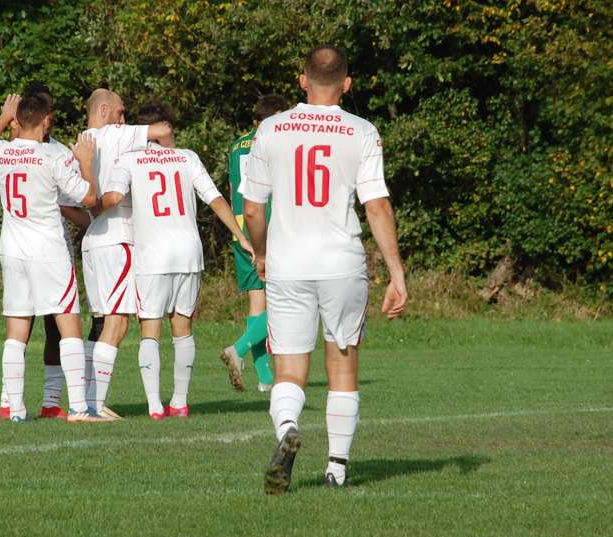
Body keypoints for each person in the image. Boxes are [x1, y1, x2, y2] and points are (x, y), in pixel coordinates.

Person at [241, 45, 407, 494]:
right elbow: (376, 204)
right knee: (342, 365)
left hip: (288, 263)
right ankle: (336, 468)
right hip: (341, 264)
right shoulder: (362, 131)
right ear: (347, 83)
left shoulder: (271, 129)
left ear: (301, 79)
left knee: (289, 370)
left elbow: (254, 208)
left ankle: (288, 429)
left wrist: (261, 252)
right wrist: (396, 272)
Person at [99, 102, 253, 419]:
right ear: (163, 128)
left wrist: (90, 199)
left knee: (150, 330)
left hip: (152, 256)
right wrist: (241, 236)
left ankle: (155, 406)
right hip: (188, 252)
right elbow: (216, 199)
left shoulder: (129, 159)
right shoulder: (187, 157)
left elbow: (112, 198)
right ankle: (180, 402)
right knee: (182, 327)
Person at [0, 93, 105, 423]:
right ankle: (79, 408)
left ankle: (15, 409)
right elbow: (89, 197)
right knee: (69, 326)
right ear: (46, 119)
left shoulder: (2, 153)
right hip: (48, 252)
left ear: (17, 119)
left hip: (13, 252)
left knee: (16, 332)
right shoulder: (53, 157)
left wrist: (5, 116)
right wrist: (87, 163)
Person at [79, 89, 173, 419]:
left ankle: (82, 399)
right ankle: (93, 404)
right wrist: (172, 160)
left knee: (103, 321)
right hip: (119, 239)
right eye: (120, 112)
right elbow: (161, 130)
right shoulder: (116, 134)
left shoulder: (78, 144)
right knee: (118, 323)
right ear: (104, 110)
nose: (124, 118)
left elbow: (78, 202)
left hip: (92, 242)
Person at [220, 94, 289, 393]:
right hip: (268, 224)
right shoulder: (274, 141)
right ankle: (239, 347)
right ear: (275, 116)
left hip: (240, 228)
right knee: (286, 301)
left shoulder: (236, 145)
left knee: (257, 303)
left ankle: (265, 379)